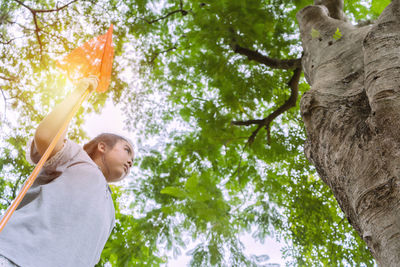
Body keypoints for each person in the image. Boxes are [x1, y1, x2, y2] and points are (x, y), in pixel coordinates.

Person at [0, 77, 134, 267]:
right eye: (127, 150)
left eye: (133, 160)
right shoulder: (77, 157)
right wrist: (79, 91)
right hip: (14, 256)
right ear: (102, 147)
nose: (130, 161)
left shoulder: (110, 213)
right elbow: (47, 136)